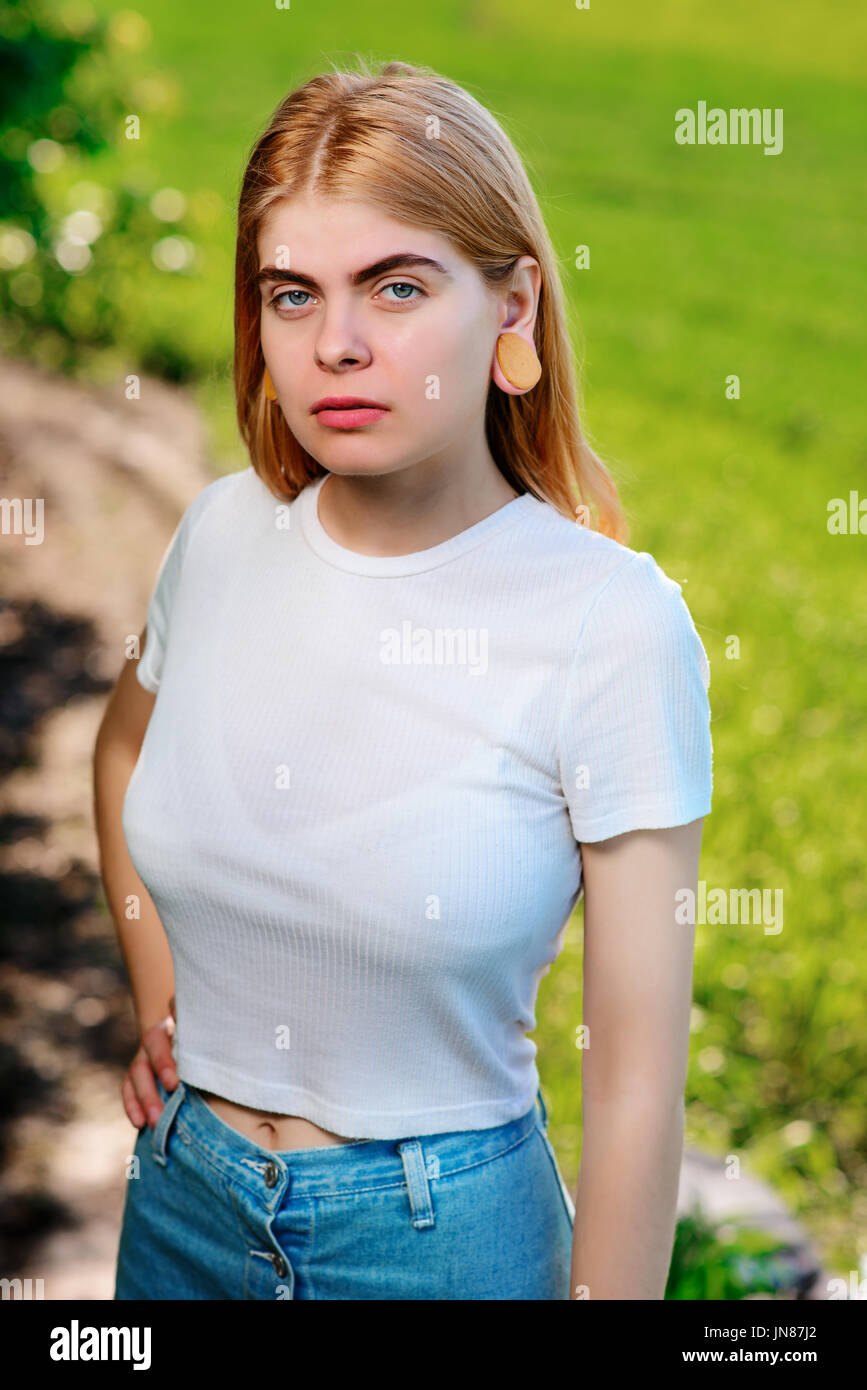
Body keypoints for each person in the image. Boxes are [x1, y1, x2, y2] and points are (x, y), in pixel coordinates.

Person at [94, 57, 712, 1301]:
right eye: (290, 293)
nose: (336, 344)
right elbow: (119, 756)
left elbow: (639, 1080)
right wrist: (164, 990)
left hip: (441, 1248)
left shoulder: (609, 623)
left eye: (396, 286)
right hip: (180, 1209)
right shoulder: (219, 535)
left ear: (514, 306)